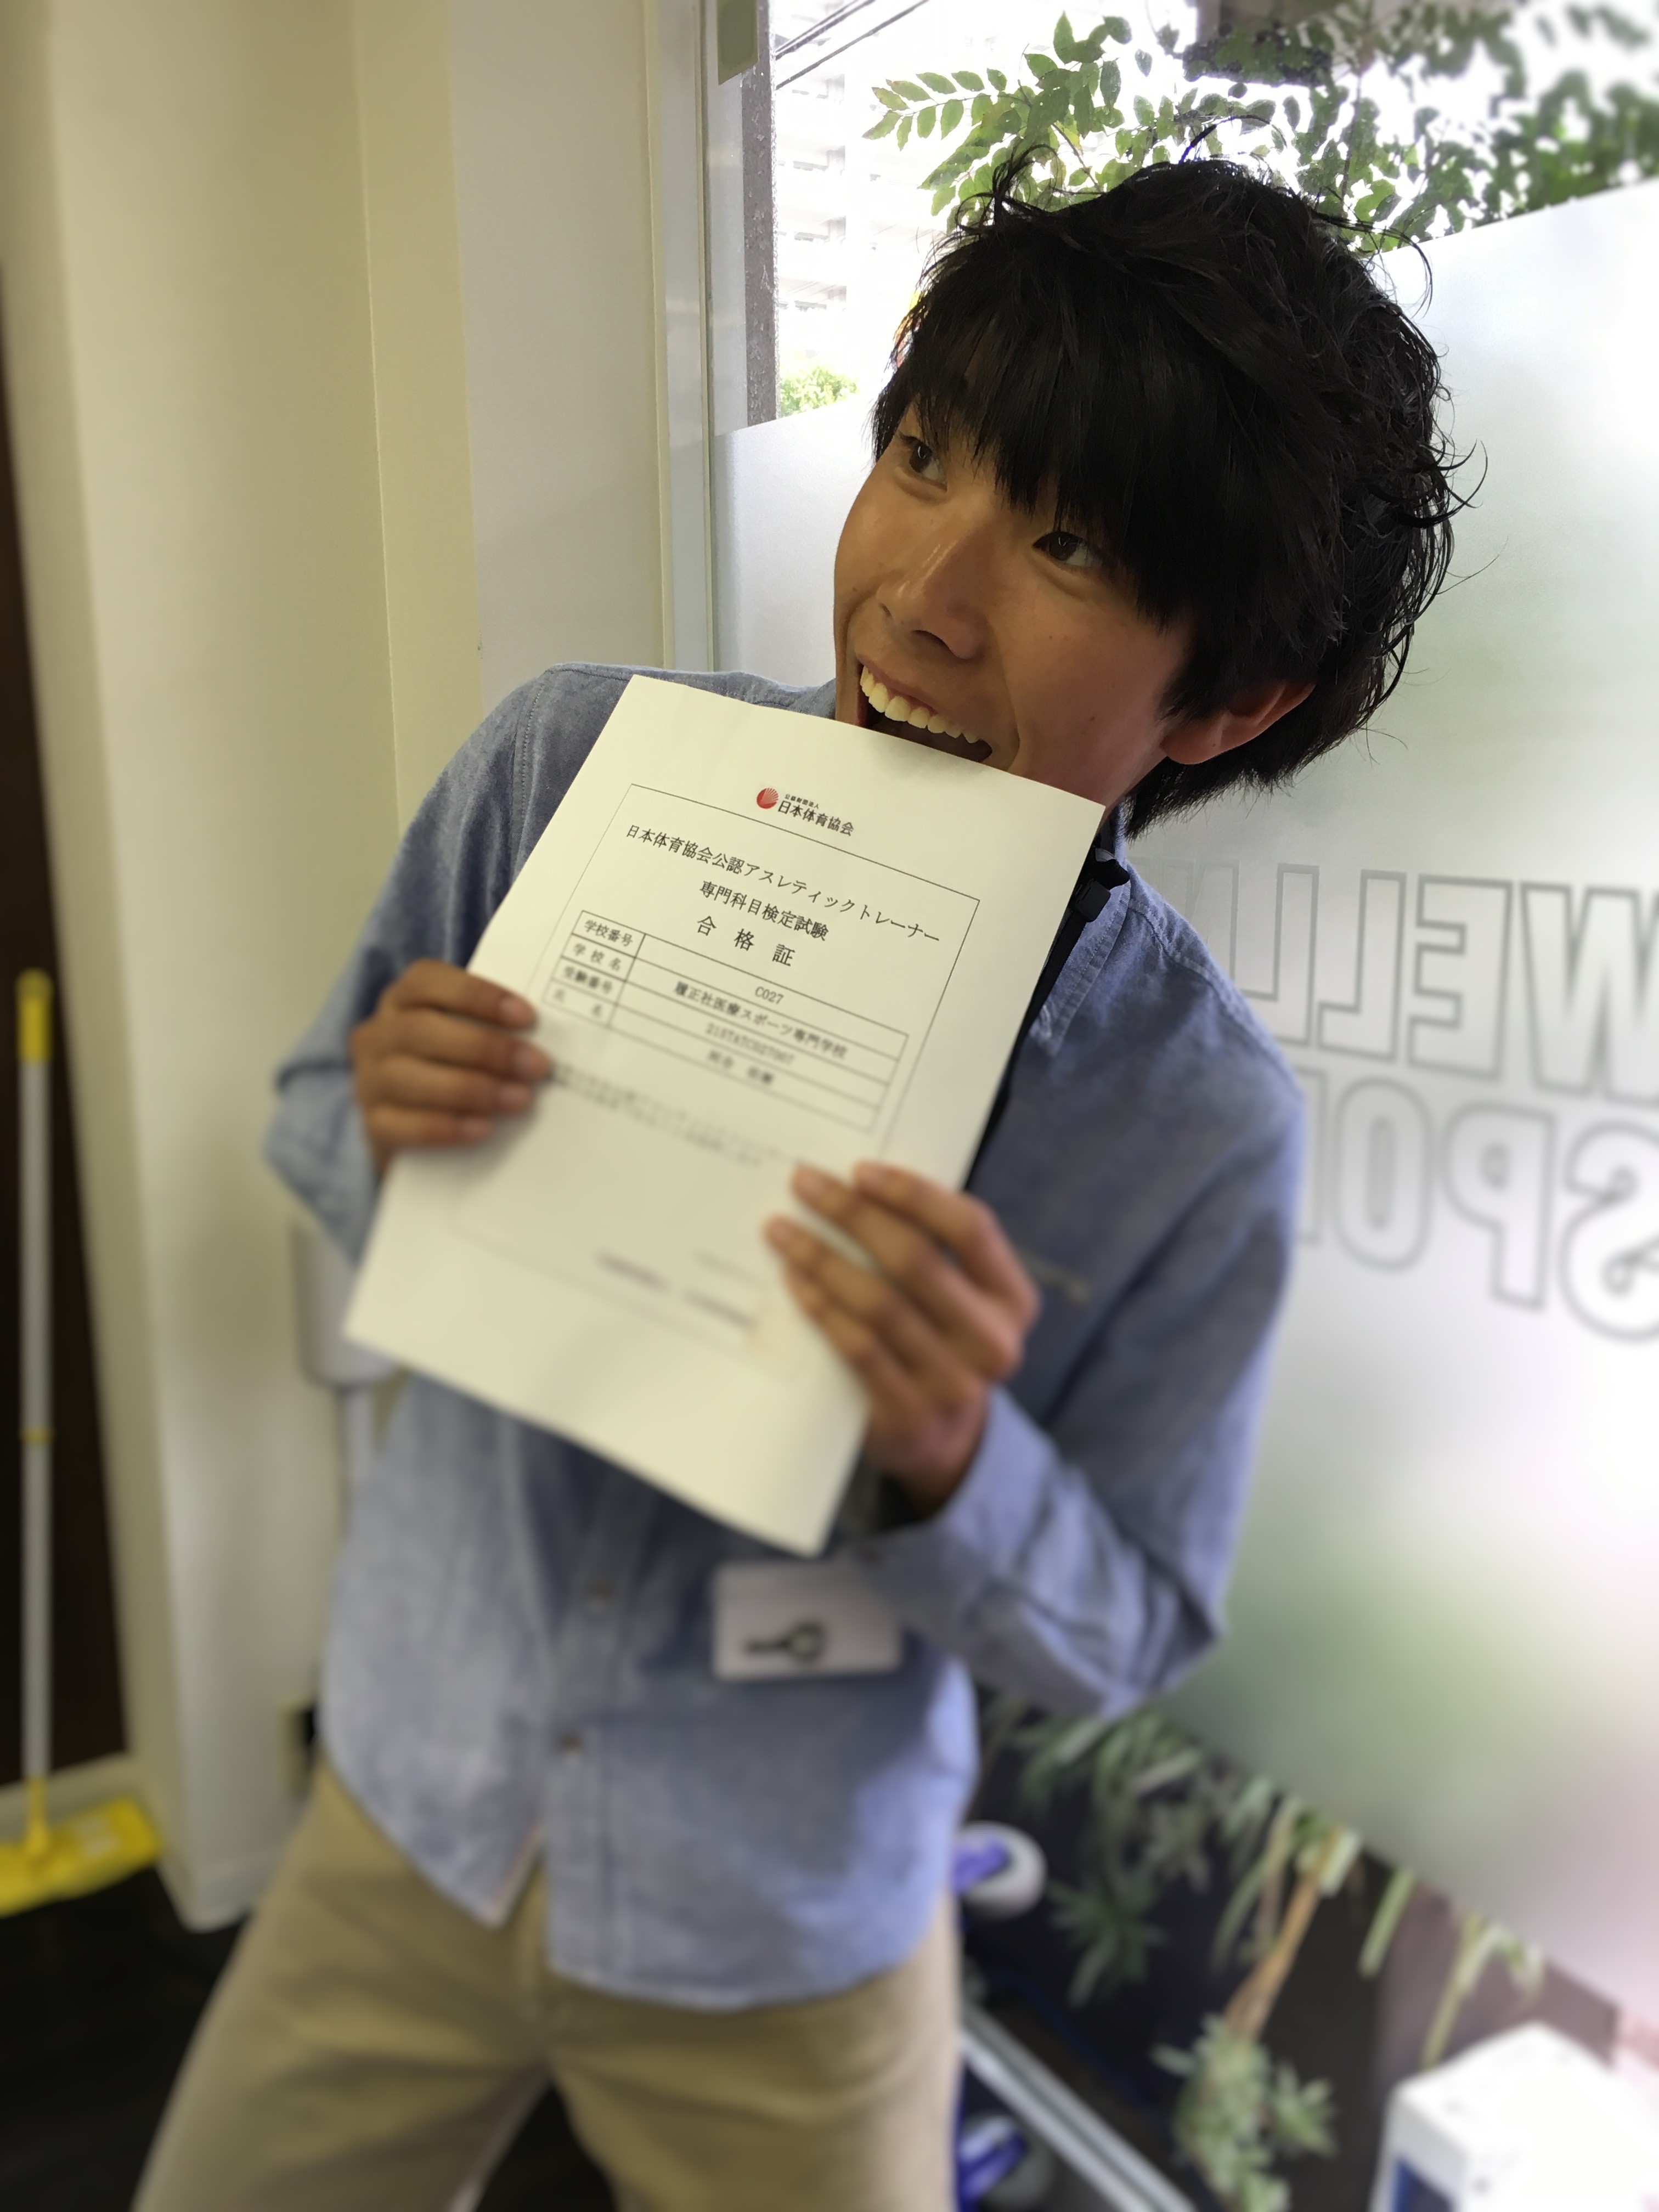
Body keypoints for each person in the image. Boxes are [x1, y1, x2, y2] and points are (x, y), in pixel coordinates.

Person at [137, 156, 1455, 2212]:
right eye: (921, 457)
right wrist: (386, 1123)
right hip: (414, 1803)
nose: (925, 590)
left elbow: (1128, 1629)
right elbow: (319, 1105)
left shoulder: (1195, 1121)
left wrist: (951, 1461)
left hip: (787, 1933)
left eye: (1070, 544)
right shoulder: (565, 769)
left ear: (1230, 700)